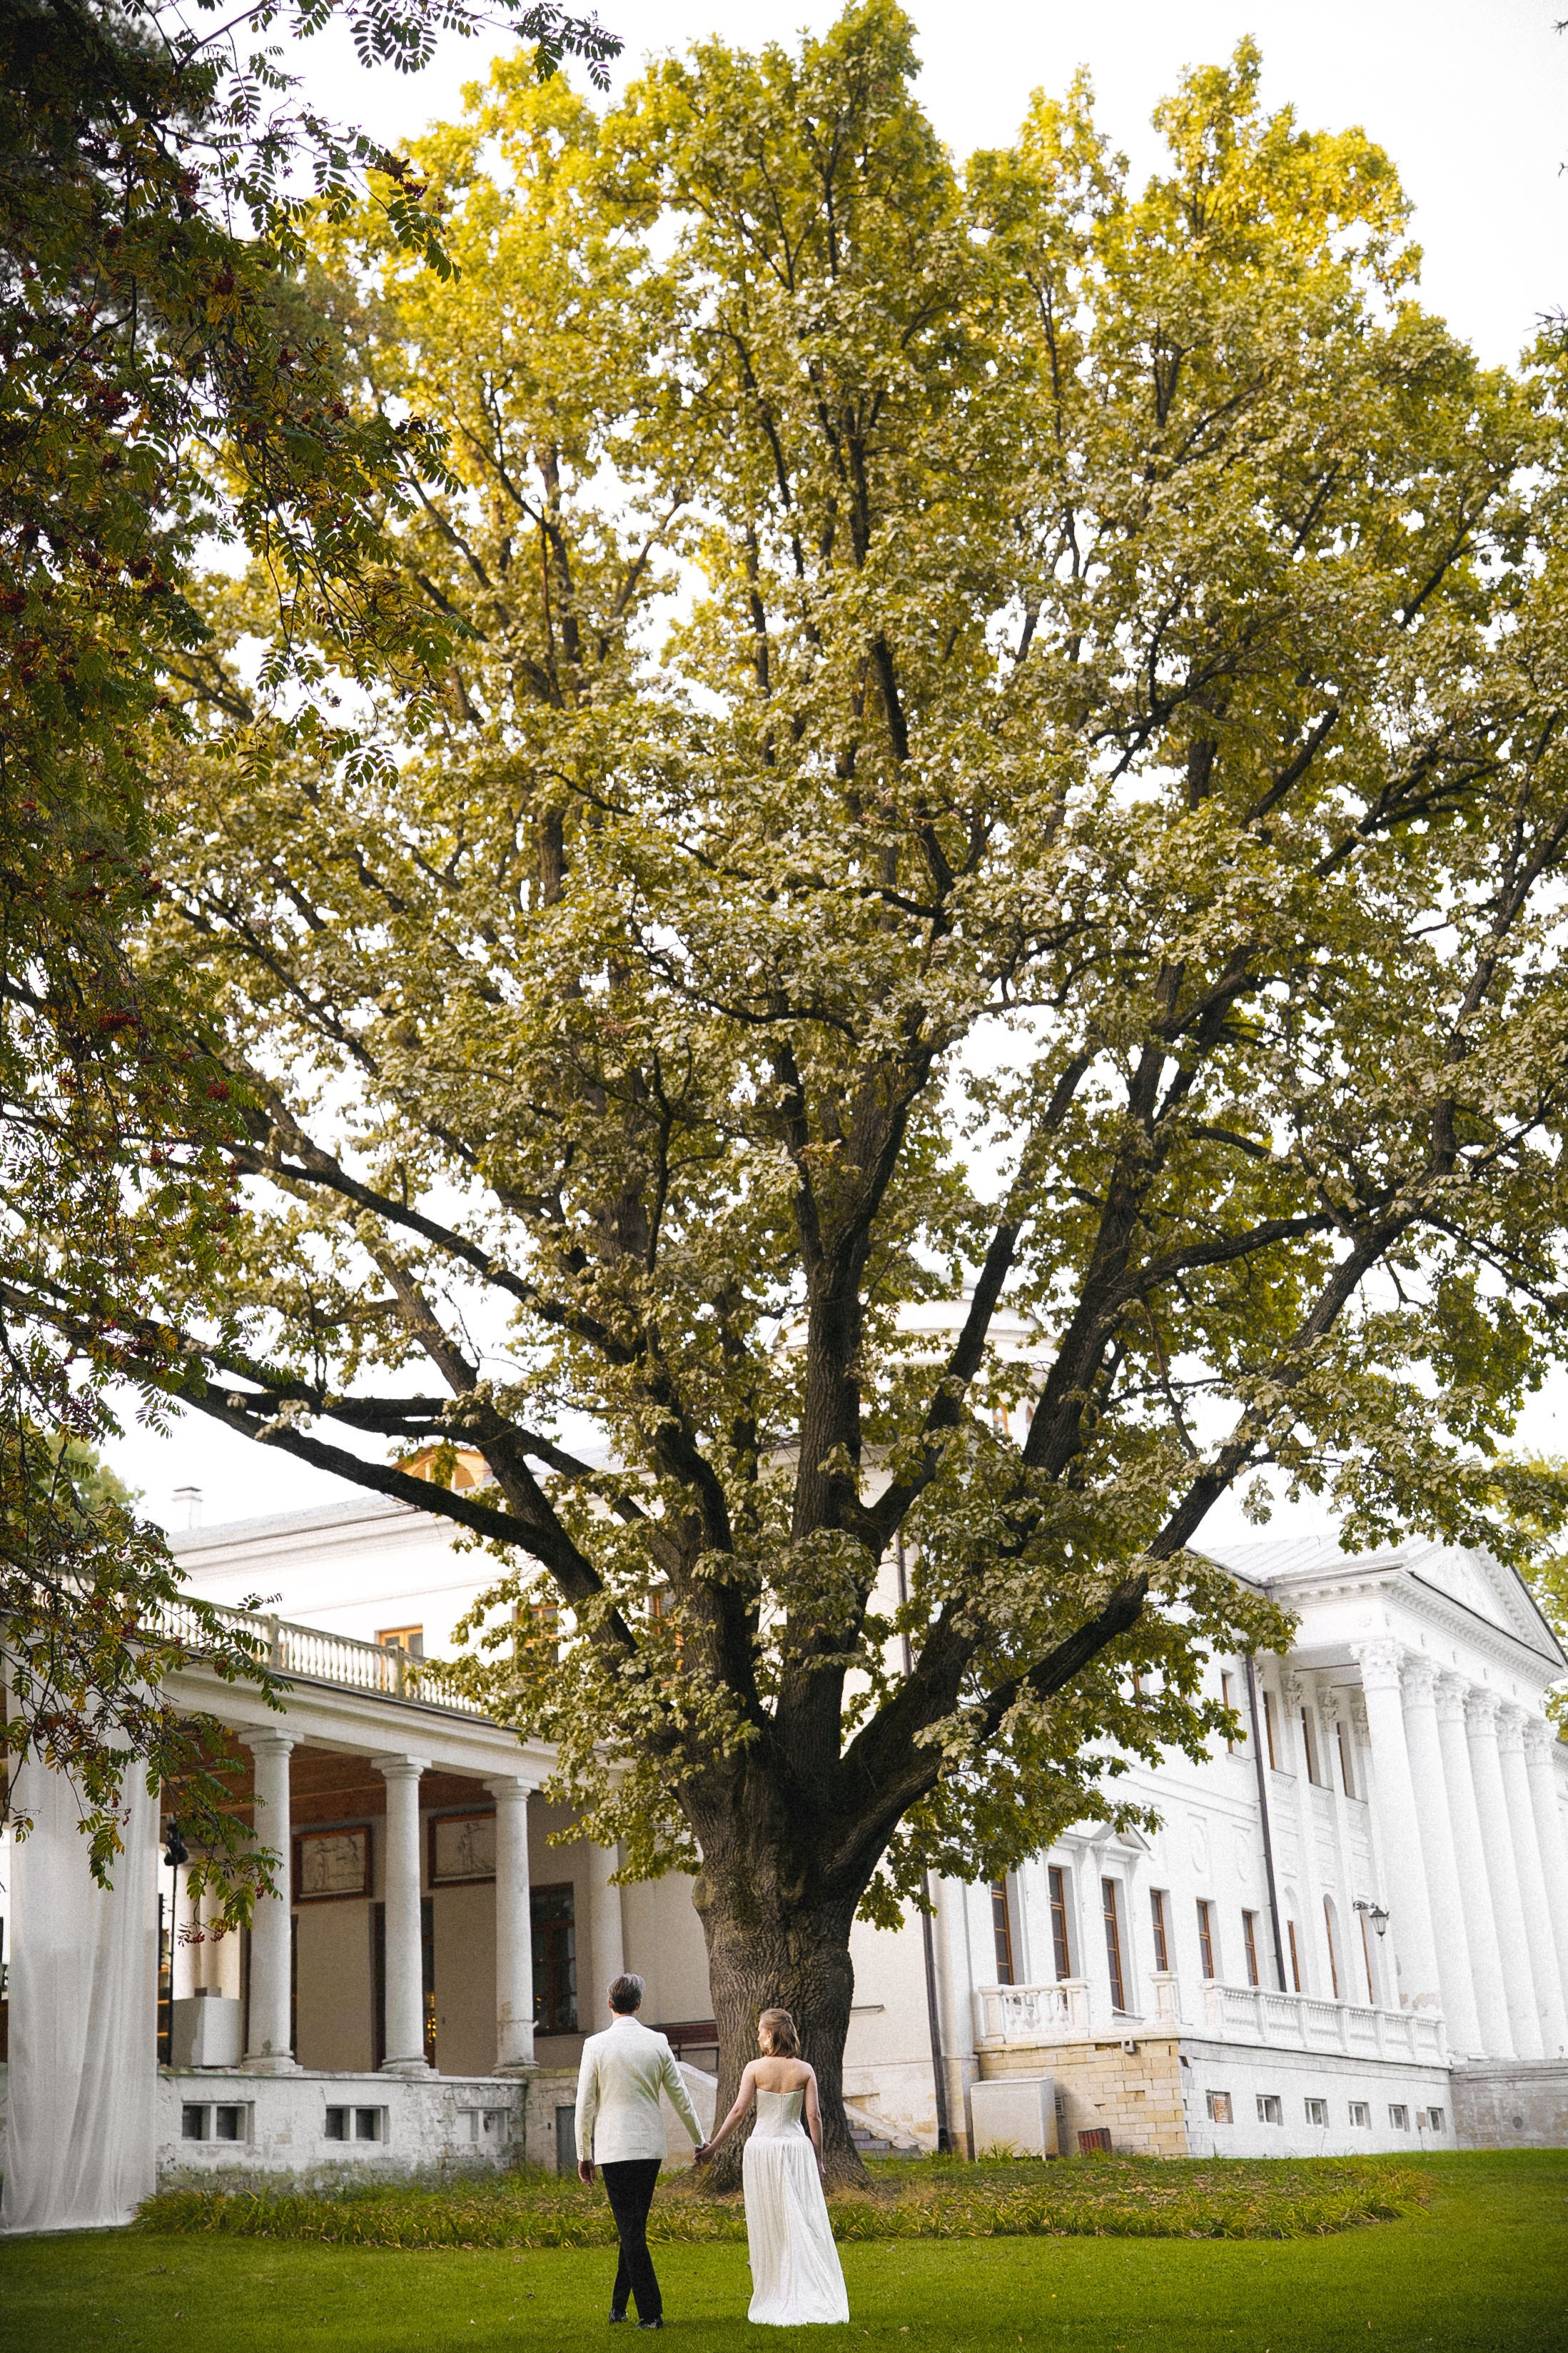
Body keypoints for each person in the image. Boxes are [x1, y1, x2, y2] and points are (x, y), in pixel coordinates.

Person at [698, 2006, 849, 2327]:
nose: (756, 2037)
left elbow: (738, 2112)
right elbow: (814, 2117)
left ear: (769, 2035)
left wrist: (714, 2147)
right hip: (796, 2148)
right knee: (801, 2218)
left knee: (769, 2220)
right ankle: (806, 2286)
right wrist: (818, 2158)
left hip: (763, 2149)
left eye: (759, 2031)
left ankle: (775, 2289)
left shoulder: (755, 2069)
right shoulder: (804, 2070)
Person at [575, 1972, 709, 2329]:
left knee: (631, 2229)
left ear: (609, 2003)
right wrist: (699, 2139)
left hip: (614, 2147)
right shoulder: (657, 2042)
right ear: (638, 2004)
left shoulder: (596, 2045)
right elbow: (680, 2095)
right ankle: (618, 2306)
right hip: (649, 2147)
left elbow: (584, 2104)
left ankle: (651, 2313)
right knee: (633, 2227)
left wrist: (583, 2153)